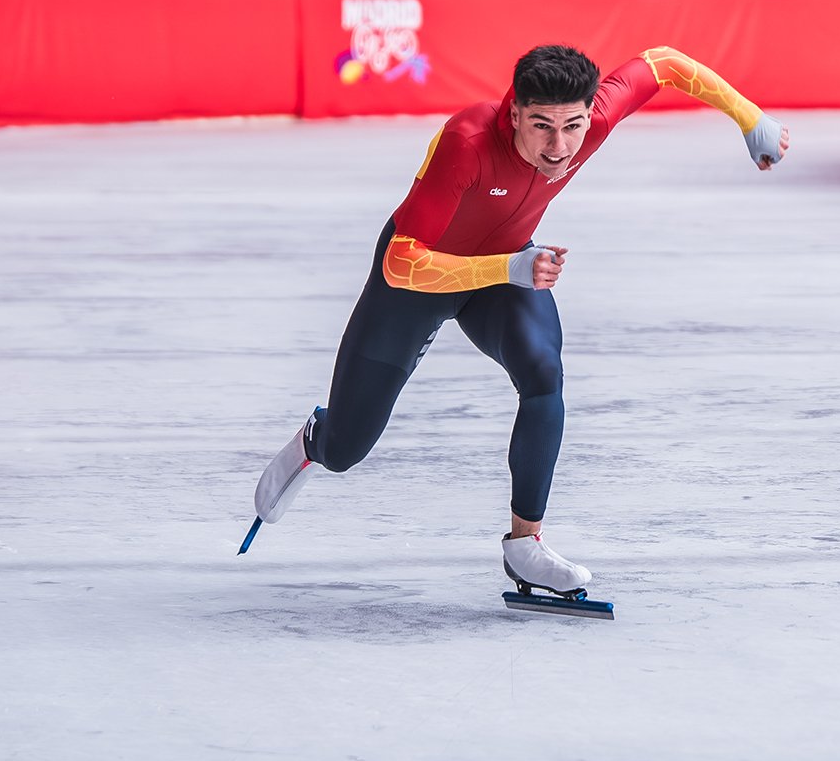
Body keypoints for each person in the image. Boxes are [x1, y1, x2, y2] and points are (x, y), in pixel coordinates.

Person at [247, 44, 792, 598]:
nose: (559, 148)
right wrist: (508, 267)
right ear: (514, 115)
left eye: (573, 127)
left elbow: (667, 64)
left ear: (590, 112)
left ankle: (525, 545)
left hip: (505, 269)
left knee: (542, 373)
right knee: (346, 451)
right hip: (420, 280)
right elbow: (400, 263)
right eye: (541, 128)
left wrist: (750, 118)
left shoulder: (594, 120)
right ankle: (316, 439)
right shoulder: (468, 141)